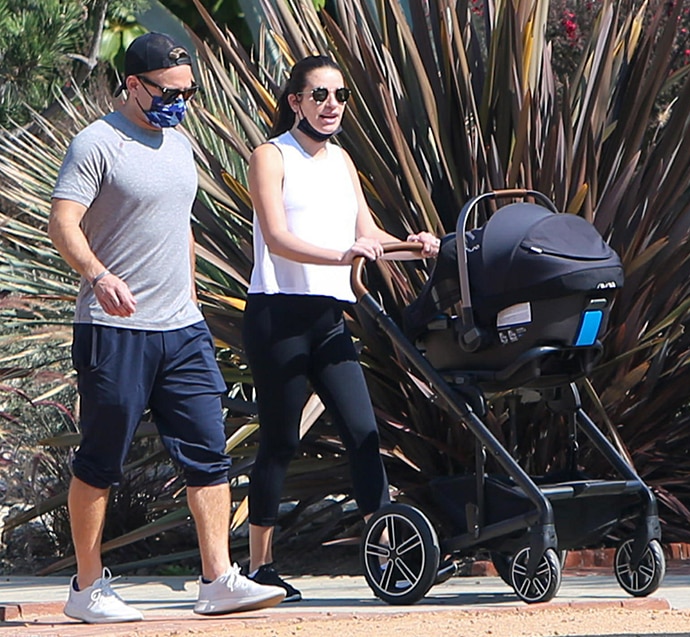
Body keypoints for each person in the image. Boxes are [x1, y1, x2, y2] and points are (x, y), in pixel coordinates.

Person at [48, 32, 285, 624]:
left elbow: (180, 224)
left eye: (189, 92)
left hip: (181, 328)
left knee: (209, 453)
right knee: (102, 458)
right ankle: (86, 586)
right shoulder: (96, 144)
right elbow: (63, 222)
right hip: (114, 328)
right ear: (133, 84)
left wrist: (193, 298)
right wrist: (98, 274)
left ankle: (217, 580)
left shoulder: (180, 146)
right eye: (169, 92)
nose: (181, 103)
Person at [243, 54, 440, 601]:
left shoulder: (342, 161)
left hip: (329, 316)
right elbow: (278, 237)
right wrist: (343, 254)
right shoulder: (271, 155)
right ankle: (261, 567)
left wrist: (412, 245)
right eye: (320, 95)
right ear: (295, 102)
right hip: (278, 313)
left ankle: (386, 555)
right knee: (281, 440)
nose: (332, 106)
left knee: (363, 433)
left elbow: (367, 234)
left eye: (340, 96)